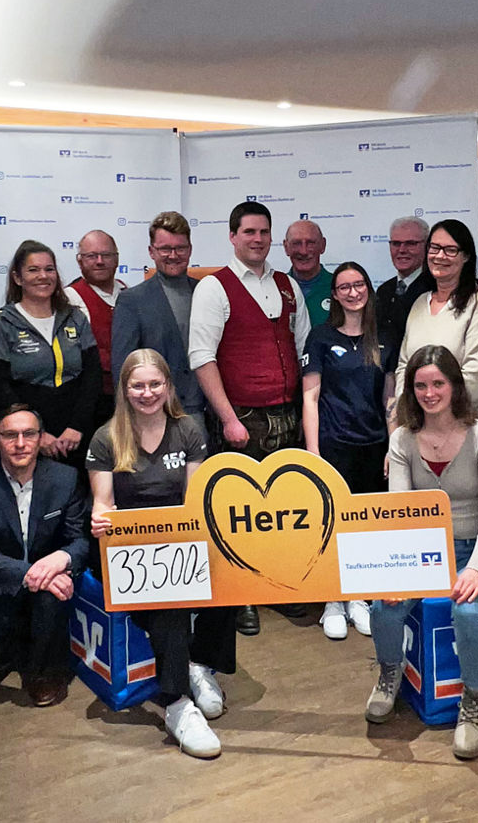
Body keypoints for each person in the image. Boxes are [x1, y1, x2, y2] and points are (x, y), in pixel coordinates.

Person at [89, 349, 235, 758]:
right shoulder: (106, 438)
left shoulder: (188, 430)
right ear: (125, 389)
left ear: (169, 387)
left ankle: (200, 665)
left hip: (181, 542)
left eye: (155, 384)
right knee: (168, 600)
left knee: (232, 573)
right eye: (138, 385)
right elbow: (103, 502)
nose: (147, 392)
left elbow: (196, 498)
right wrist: (101, 519)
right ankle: (176, 703)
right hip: (131, 555)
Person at [366, 345, 478, 760]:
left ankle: (475, 697)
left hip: (477, 552)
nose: (430, 393)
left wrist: (476, 570)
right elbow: (402, 512)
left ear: (454, 385)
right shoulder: (402, 438)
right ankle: (389, 671)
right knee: (383, 607)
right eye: (421, 385)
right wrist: (399, 574)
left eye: (438, 383)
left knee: (467, 611)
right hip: (424, 552)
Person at [188, 200, 311, 636]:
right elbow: (201, 357)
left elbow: (301, 345)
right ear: (232, 236)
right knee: (240, 510)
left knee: (282, 507)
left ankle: (279, 586)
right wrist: (227, 418)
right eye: (248, 233)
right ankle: (243, 596)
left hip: (287, 413)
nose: (257, 240)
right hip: (241, 416)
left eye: (263, 232)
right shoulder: (213, 287)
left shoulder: (286, 285)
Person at [0, 404, 90, 706]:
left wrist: (61, 559)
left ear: (41, 438)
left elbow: (79, 540)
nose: (20, 443)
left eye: (29, 434)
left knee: (55, 590)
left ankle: (41, 671)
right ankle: (11, 644)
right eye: (9, 435)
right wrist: (31, 574)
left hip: (48, 590)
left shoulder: (65, 479)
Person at [302, 262, 396, 640]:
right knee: (331, 526)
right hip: (332, 447)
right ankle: (331, 602)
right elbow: (310, 397)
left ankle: (359, 598)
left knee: (364, 528)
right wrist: (313, 452)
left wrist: (394, 445)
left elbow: (390, 397)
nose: (352, 292)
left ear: (368, 290)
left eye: (359, 285)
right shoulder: (320, 338)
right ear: (335, 295)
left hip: (373, 446)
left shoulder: (384, 337)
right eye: (344, 287)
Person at [0, 240, 102, 470]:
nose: (43, 276)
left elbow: (92, 376)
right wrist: (37, 433)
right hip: (24, 441)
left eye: (49, 269)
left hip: (76, 438)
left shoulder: (76, 318)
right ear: (18, 278)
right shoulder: (1, 323)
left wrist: (77, 426)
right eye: (33, 270)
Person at [394, 219, 478, 421]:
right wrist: (411, 411)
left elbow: (477, 376)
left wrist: (437, 416)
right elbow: (403, 366)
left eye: (450, 250)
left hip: (462, 426)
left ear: (466, 256)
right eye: (435, 248)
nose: (440, 256)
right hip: (418, 428)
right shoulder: (419, 304)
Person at [111, 211, 205, 422]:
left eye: (180, 248)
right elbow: (122, 370)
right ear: (151, 251)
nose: (173, 255)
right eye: (165, 249)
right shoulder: (131, 301)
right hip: (156, 415)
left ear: (190, 250)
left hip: (209, 413)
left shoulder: (206, 292)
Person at [65, 229, 125, 427]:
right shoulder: (69, 299)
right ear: (80, 260)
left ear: (116, 259)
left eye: (106, 255)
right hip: (92, 400)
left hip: (131, 396)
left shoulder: (127, 292)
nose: (100, 261)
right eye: (91, 256)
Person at [375, 216, 432, 351]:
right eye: (396, 243)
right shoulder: (384, 291)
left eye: (411, 243)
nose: (402, 250)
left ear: (427, 246)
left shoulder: (435, 288)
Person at [284, 219, 334, 326]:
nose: (304, 251)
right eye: (296, 243)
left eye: (310, 243)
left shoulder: (339, 288)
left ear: (323, 245)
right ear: (286, 247)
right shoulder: (276, 288)